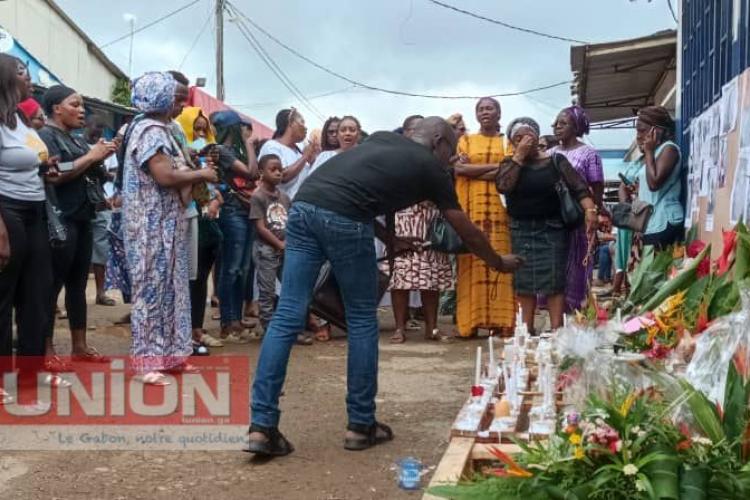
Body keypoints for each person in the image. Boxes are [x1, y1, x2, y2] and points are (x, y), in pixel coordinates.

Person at [246, 117, 523, 457]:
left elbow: (365, 191)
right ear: (437, 140)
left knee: (288, 313)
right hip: (344, 217)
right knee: (362, 317)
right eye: (450, 149)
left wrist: (390, 239)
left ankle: (261, 427)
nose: (450, 158)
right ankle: (361, 424)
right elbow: (464, 227)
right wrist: (497, 261)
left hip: (304, 208)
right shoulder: (432, 169)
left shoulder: (378, 138)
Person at [122, 72, 218, 385]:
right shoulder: (149, 130)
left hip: (168, 224)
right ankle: (146, 361)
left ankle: (173, 355)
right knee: (151, 291)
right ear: (160, 99)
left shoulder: (166, 129)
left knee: (173, 291)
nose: (180, 104)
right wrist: (201, 174)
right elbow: (164, 176)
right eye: (174, 98)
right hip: (149, 226)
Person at [496, 117, 597, 333]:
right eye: (519, 137)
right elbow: (504, 186)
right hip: (520, 229)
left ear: (537, 136)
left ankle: (556, 329)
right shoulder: (509, 164)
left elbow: (579, 188)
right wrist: (519, 157)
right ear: (513, 142)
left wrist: (590, 210)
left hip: (552, 228)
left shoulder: (556, 161)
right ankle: (527, 329)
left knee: (554, 280)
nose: (525, 141)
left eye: (529, 136)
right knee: (524, 281)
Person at [39, 85, 117, 364]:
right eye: (75, 104)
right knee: (53, 284)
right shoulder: (46, 136)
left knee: (77, 284)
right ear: (57, 108)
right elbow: (55, 174)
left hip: (83, 216)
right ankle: (46, 349)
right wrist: (90, 157)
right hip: (61, 218)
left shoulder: (75, 139)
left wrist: (101, 156)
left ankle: (79, 346)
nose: (81, 110)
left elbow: (88, 169)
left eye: (82, 104)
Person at [0, 55, 62, 402]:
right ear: (6, 79)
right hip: (6, 210)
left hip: (35, 209)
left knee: (36, 294)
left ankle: (28, 374)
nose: (29, 79)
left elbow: (29, 161)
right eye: (23, 73)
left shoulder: (21, 119)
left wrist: (45, 168)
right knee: (3, 296)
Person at [388, 116, 453, 344]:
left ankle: (432, 328)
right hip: (403, 220)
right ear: (405, 132)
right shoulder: (395, 157)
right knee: (400, 278)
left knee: (430, 277)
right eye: (412, 129)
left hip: (430, 222)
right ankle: (399, 328)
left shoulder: (437, 159)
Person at [453, 97, 514, 337]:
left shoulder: (507, 141)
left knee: (500, 261)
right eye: (481, 109)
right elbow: (459, 169)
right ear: (476, 115)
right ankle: (470, 323)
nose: (485, 112)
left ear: (499, 113)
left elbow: (510, 170)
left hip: (501, 214)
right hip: (471, 213)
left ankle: (502, 323)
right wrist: (494, 169)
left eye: (490, 108)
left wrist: (474, 171)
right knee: (472, 263)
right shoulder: (466, 140)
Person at [175, 106, 225, 351]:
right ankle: (187, 332)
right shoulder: (180, 153)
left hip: (205, 220)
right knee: (187, 278)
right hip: (186, 217)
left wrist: (215, 198)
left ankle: (196, 328)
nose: (201, 136)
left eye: (204, 131)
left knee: (201, 276)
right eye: (195, 130)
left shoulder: (209, 156)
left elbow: (216, 188)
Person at [210, 110, 259, 344]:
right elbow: (251, 172)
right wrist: (250, 145)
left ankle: (236, 320)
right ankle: (227, 323)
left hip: (245, 211)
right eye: (240, 126)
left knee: (243, 269)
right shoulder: (222, 151)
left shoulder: (234, 151)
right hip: (231, 212)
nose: (244, 131)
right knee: (231, 268)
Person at [551, 105, 604, 312]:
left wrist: (594, 214)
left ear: (576, 126)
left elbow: (597, 188)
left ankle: (576, 312)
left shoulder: (589, 154)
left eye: (562, 123)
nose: (557, 127)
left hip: (579, 219)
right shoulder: (550, 152)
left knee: (578, 266)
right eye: (555, 123)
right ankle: (557, 313)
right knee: (557, 266)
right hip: (555, 218)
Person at [620, 106, 683, 250]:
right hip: (650, 224)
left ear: (657, 130)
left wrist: (648, 151)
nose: (638, 136)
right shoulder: (654, 153)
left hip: (664, 222)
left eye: (642, 130)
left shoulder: (669, 149)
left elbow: (654, 183)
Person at [249, 154, 290, 335]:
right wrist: (280, 244)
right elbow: (260, 228)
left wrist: (287, 243)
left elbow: (290, 221)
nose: (278, 173)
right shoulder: (258, 197)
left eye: (280, 169)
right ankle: (269, 331)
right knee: (267, 291)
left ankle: (286, 327)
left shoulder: (285, 197)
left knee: (290, 288)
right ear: (261, 173)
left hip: (284, 248)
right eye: (272, 169)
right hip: (266, 250)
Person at [84, 114, 119, 307]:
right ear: (86, 125)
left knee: (101, 250)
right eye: (96, 126)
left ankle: (100, 292)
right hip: (80, 205)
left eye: (102, 128)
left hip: (102, 204)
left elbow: (113, 175)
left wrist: (106, 178)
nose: (98, 131)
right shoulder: (78, 147)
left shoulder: (107, 149)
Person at [258, 108, 318, 200]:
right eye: (302, 122)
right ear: (291, 123)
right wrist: (305, 157)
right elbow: (282, 176)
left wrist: (312, 161)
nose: (305, 127)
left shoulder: (299, 152)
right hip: (279, 208)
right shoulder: (271, 146)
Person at [594, 213, 615, 285]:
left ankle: (601, 277)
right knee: (604, 248)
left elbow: (615, 237)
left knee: (604, 249)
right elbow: (600, 236)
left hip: (615, 244)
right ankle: (606, 277)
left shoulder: (614, 223)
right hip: (610, 244)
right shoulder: (600, 226)